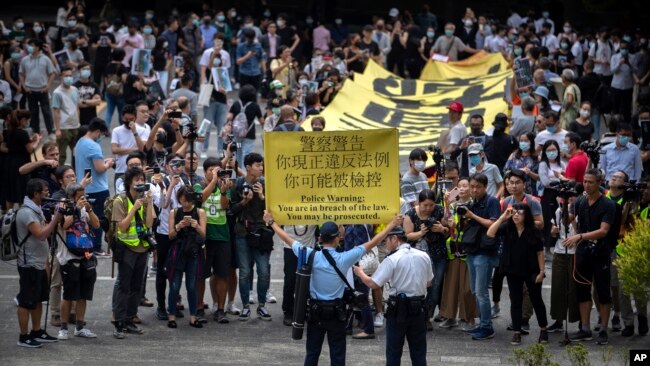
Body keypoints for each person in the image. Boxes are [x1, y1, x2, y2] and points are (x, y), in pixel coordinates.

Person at [263, 210, 402, 366]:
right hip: (337, 315)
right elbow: (374, 241)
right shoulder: (345, 258)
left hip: (315, 314)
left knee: (312, 354)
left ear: (320, 238)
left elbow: (288, 239)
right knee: (337, 356)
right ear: (337, 239)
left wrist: (271, 222)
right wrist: (392, 224)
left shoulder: (309, 255)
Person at [354, 226, 432, 366]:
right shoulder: (424, 255)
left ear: (394, 239)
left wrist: (360, 273)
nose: (385, 245)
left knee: (394, 351)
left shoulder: (392, 259)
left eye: (386, 241)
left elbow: (373, 284)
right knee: (419, 351)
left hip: (398, 310)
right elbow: (429, 282)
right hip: (419, 308)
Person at [564, 169, 616, 345]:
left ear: (599, 182)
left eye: (591, 182)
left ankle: (603, 329)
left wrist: (579, 236)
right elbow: (567, 219)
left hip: (601, 253)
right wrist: (564, 203)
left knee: (603, 292)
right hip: (583, 253)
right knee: (582, 291)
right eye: (584, 181)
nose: (586, 185)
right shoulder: (580, 201)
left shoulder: (608, 204)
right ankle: (585, 328)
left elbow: (603, 231)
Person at [487, 203, 548, 345]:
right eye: (513, 212)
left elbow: (540, 253)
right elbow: (490, 233)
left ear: (526, 215)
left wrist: (542, 271)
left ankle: (543, 330)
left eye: (519, 213)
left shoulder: (533, 230)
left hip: (532, 270)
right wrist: (502, 217)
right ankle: (516, 332)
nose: (515, 215)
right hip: (512, 270)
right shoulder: (507, 228)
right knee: (515, 301)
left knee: (536, 300)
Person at [15, 179, 62, 347]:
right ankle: (23, 336)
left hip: (40, 263)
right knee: (26, 301)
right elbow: (41, 234)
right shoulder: (26, 212)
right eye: (45, 191)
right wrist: (56, 217)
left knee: (38, 299)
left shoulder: (36, 209)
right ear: (35, 194)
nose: (48, 193)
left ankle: (36, 330)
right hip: (29, 264)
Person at [111, 166, 156, 339]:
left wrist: (149, 203)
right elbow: (121, 226)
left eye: (142, 179)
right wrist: (134, 208)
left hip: (142, 247)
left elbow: (150, 223)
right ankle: (119, 323)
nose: (140, 183)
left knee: (136, 287)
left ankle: (130, 319)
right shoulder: (120, 200)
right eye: (137, 180)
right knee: (124, 286)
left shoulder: (144, 199)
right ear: (129, 182)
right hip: (127, 248)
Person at [230, 153, 271, 320]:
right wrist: (245, 201)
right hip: (242, 233)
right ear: (248, 167)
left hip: (261, 233)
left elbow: (274, 208)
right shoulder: (238, 184)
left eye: (262, 166)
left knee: (263, 271)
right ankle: (246, 305)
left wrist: (262, 197)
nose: (261, 168)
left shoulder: (265, 184)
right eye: (257, 165)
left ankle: (262, 305)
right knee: (245, 272)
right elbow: (231, 210)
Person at [56, 183, 100, 340]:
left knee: (83, 295)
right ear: (71, 197)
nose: (84, 198)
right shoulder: (63, 208)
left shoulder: (84, 209)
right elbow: (64, 225)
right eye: (80, 196)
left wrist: (88, 209)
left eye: (84, 195)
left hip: (85, 256)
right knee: (68, 295)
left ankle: (80, 327)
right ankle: (63, 328)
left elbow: (96, 224)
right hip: (68, 258)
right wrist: (75, 209)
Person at [461, 173, 501, 340]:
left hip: (485, 252)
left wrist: (472, 216)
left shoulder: (491, 201)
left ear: (485, 187)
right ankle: (482, 323)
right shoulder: (472, 202)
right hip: (472, 251)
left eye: (478, 187)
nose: (474, 190)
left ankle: (487, 327)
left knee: (481, 292)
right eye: (472, 186)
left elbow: (494, 224)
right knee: (475, 290)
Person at [403, 189, 448, 330]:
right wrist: (421, 232)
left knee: (435, 287)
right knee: (419, 286)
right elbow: (408, 236)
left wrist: (441, 229)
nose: (428, 209)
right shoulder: (410, 214)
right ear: (419, 203)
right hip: (417, 257)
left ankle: (427, 317)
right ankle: (417, 315)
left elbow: (449, 229)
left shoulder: (440, 210)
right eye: (425, 205)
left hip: (438, 255)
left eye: (431, 205)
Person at [438, 177, 479, 330]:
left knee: (468, 287)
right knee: (451, 286)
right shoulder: (453, 205)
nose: (462, 189)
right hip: (453, 250)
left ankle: (469, 318)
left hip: (468, 251)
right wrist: (447, 206)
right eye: (459, 186)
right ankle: (449, 316)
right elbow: (444, 222)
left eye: (465, 186)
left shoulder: (474, 205)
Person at [198, 157, 233, 323]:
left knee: (222, 275)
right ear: (205, 172)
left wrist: (224, 190)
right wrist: (213, 182)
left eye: (218, 170)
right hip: (204, 237)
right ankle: (198, 308)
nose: (216, 174)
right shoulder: (199, 185)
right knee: (200, 275)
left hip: (222, 236)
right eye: (212, 170)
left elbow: (225, 206)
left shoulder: (224, 186)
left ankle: (220, 309)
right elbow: (200, 199)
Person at [167, 185, 207, 329]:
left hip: (193, 252)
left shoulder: (200, 212)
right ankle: (171, 315)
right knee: (174, 285)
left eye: (188, 201)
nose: (185, 204)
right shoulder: (174, 212)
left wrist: (196, 226)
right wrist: (178, 226)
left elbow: (203, 235)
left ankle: (193, 316)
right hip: (177, 251)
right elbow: (170, 235)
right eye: (182, 200)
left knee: (191, 285)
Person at [74, 118, 113, 256]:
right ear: (97, 132)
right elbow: (100, 168)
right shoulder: (93, 146)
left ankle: (88, 244)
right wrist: (109, 163)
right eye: (101, 134)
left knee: (86, 218)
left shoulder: (80, 142)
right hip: (98, 188)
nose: (101, 137)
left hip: (84, 187)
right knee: (99, 218)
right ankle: (96, 247)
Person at [546, 195, 580, 333]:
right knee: (558, 287)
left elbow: (581, 232)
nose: (567, 201)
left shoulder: (581, 209)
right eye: (564, 198)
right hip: (559, 251)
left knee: (575, 288)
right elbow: (554, 232)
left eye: (571, 198)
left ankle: (581, 322)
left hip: (575, 253)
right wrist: (553, 232)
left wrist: (572, 219)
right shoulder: (558, 211)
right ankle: (558, 320)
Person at [2, 109, 40, 209]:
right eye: (27, 120)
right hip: (22, 164)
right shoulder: (22, 133)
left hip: (9, 164)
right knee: (22, 191)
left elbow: (4, 147)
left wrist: (13, 150)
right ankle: (23, 215)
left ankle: (8, 216)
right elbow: (30, 150)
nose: (27, 122)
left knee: (10, 192)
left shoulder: (7, 132)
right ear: (23, 119)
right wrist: (37, 141)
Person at [19, 38, 56, 136]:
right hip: (30, 90)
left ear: (38, 47)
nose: (30, 47)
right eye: (29, 45)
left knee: (46, 111)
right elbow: (21, 74)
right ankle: (35, 131)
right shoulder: (25, 59)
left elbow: (52, 73)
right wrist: (24, 86)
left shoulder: (45, 59)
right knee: (33, 112)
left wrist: (48, 86)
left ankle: (51, 130)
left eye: (32, 45)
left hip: (42, 90)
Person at [226, 86, 262, 170]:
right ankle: (244, 174)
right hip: (249, 135)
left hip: (237, 134)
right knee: (246, 154)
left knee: (238, 152)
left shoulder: (236, 103)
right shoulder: (255, 106)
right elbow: (261, 121)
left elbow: (229, 117)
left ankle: (238, 171)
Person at [52, 67, 80, 165]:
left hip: (75, 126)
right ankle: (59, 174)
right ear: (61, 77)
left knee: (77, 153)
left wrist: (78, 122)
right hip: (64, 127)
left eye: (70, 75)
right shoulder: (57, 92)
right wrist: (58, 129)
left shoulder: (75, 90)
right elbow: (56, 111)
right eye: (66, 76)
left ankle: (75, 173)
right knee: (61, 154)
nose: (69, 78)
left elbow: (77, 107)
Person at [111, 105, 147, 183]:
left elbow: (142, 149)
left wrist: (135, 132)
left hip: (138, 170)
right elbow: (114, 149)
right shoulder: (116, 131)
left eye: (131, 119)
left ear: (135, 117)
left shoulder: (143, 130)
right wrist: (134, 150)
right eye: (125, 119)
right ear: (122, 117)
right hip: (121, 170)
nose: (128, 121)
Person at [74, 61, 101, 126]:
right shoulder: (74, 86)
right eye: (84, 69)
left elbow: (98, 102)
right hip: (79, 120)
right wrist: (92, 102)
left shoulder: (94, 85)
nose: (86, 71)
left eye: (88, 69)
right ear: (79, 71)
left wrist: (84, 101)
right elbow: (77, 104)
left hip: (92, 119)